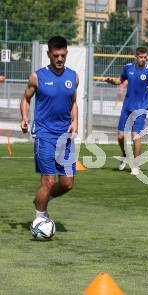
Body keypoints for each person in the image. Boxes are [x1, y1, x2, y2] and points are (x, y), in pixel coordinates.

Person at [19, 36, 78, 222]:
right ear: (49, 55)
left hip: (65, 137)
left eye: (63, 55)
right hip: (44, 134)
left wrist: (75, 120)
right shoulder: (37, 77)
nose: (60, 59)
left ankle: (41, 200)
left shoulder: (73, 76)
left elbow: (74, 102)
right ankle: (40, 219)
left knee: (67, 184)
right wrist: (24, 118)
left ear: (66, 53)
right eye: (56, 55)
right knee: (49, 181)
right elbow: (25, 99)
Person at [105, 47, 148, 176]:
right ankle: (125, 155)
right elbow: (120, 80)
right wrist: (112, 81)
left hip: (141, 108)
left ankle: (135, 165)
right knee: (120, 136)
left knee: (135, 135)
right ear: (136, 57)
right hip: (127, 106)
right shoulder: (128, 67)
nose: (143, 59)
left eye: (145, 57)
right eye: (141, 57)